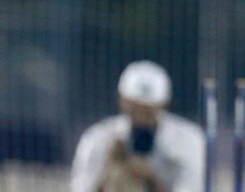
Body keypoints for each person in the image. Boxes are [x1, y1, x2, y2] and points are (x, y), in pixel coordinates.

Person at [71, 60, 205, 192]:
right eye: (134, 109)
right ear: (121, 102)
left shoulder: (189, 141)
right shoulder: (98, 139)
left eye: (148, 111)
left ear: (164, 105)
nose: (141, 117)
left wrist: (152, 178)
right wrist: (109, 169)